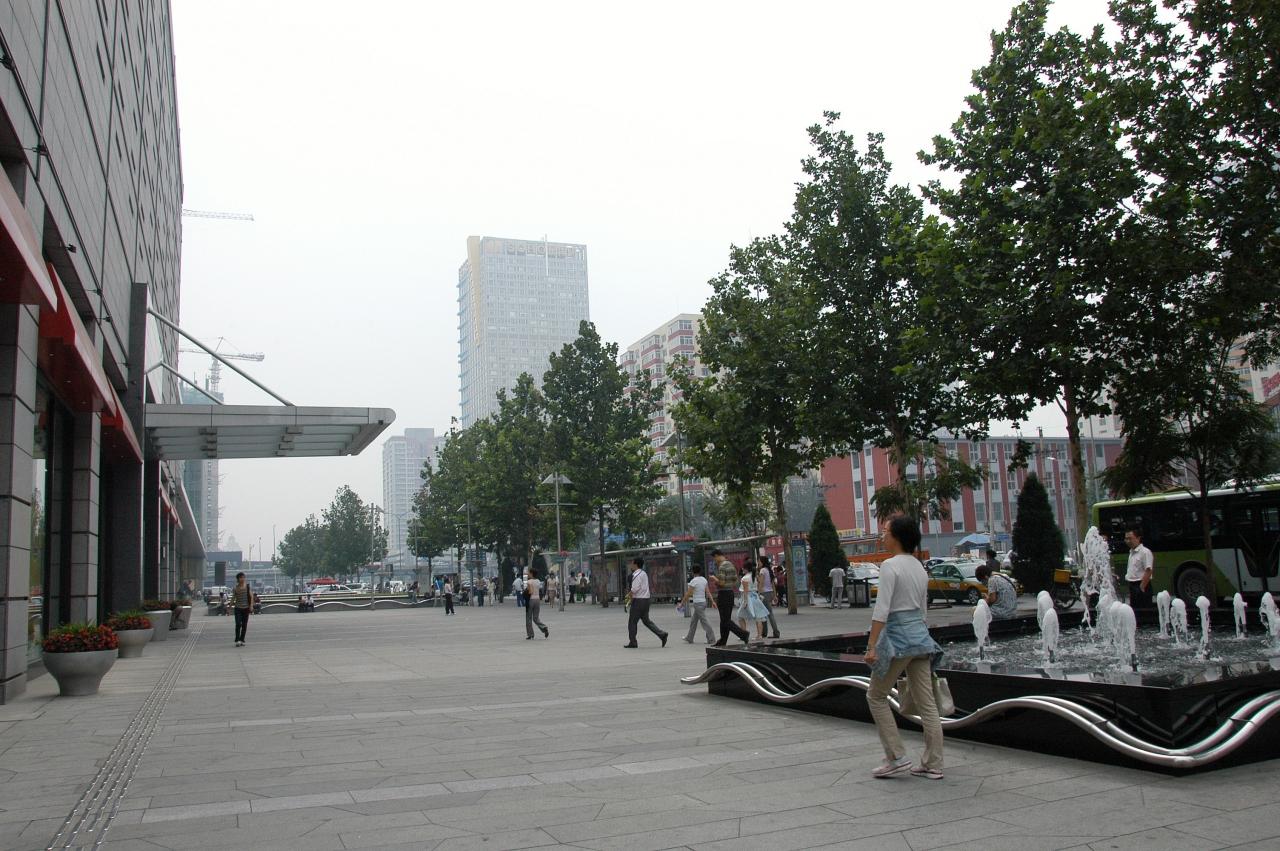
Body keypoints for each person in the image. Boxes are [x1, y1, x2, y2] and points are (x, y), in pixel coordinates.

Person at [863, 514, 944, 780]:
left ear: (896, 537)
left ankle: (896, 756)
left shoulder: (890, 566)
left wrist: (872, 645)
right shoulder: (919, 567)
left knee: (876, 696)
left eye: (885, 531)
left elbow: (882, 609)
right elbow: (923, 611)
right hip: (921, 638)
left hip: (898, 640)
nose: (882, 536)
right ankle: (933, 763)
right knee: (927, 703)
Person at [624, 557, 668, 648]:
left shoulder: (636, 575)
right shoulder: (643, 573)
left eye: (632, 563)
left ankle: (633, 642)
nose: (631, 565)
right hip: (646, 600)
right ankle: (662, 634)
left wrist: (628, 596)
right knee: (646, 621)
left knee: (632, 622)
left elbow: (635, 589)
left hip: (638, 601)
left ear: (635, 564)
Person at [711, 550, 752, 647]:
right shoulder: (730, 565)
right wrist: (729, 585)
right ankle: (723, 640)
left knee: (725, 620)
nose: (714, 560)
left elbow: (721, 583)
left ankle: (743, 634)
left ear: (717, 556)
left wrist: (715, 579)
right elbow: (735, 580)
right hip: (730, 593)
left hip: (723, 594)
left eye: (714, 558)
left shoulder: (722, 566)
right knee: (725, 619)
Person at [679, 564, 716, 645]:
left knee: (705, 622)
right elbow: (708, 592)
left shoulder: (693, 581)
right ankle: (689, 638)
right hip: (703, 602)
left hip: (698, 604)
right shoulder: (704, 580)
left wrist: (682, 603)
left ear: (692, 572)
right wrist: (712, 601)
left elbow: (688, 594)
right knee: (694, 621)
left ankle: (711, 639)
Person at [735, 561, 770, 639]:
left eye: (743, 568)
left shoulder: (745, 578)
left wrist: (745, 602)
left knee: (740, 616)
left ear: (746, 569)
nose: (742, 569)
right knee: (758, 617)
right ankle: (759, 635)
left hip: (748, 598)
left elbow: (745, 591)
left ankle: (744, 634)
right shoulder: (754, 576)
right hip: (755, 597)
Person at [1125, 526, 1154, 609]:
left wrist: (1141, 587)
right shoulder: (1131, 552)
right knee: (1135, 611)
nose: (1128, 541)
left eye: (1130, 538)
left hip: (1141, 585)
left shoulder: (1145, 552)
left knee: (1144, 610)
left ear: (1138, 538)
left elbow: (1148, 570)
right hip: (1132, 585)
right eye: (1126, 539)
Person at [756, 556, 781, 638]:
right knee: (766, 613)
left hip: (764, 593)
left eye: (759, 561)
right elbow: (772, 584)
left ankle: (775, 632)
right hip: (770, 593)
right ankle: (765, 632)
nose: (758, 563)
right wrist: (775, 595)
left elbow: (761, 583)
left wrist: (758, 594)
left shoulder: (762, 570)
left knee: (768, 613)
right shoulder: (769, 570)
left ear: (762, 562)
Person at [525, 572, 550, 639]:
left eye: (529, 573)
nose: (528, 575)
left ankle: (530, 634)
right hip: (537, 600)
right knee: (536, 618)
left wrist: (525, 591)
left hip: (530, 600)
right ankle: (544, 627)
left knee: (528, 618)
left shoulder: (529, 582)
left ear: (532, 574)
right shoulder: (538, 581)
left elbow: (530, 592)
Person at [231, 572, 253, 646]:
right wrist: (229, 607)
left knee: (244, 625)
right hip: (238, 608)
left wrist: (251, 606)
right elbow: (233, 598)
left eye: (243, 577)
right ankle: (237, 640)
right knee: (238, 624)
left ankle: (242, 639)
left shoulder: (247, 587)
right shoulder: (235, 588)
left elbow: (251, 596)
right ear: (238, 579)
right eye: (241, 577)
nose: (242, 579)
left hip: (246, 608)